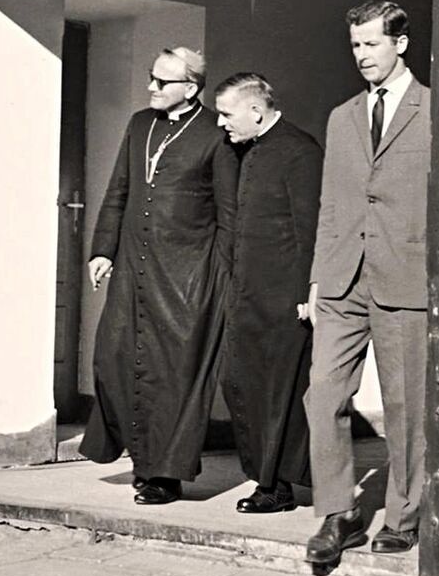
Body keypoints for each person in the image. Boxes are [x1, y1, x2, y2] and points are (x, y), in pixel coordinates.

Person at [80, 47, 239, 505]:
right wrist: (102, 249)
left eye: (161, 81)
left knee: (173, 373)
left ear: (190, 88)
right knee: (114, 355)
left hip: (187, 273)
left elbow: (229, 213)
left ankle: (164, 475)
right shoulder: (139, 124)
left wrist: (222, 276)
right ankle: (142, 457)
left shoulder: (215, 132)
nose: (150, 86)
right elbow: (119, 190)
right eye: (152, 77)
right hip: (134, 264)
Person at [303, 0, 430, 562]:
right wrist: (317, 278)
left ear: (400, 44)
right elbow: (331, 203)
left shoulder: (436, 110)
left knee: (406, 406)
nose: (361, 55)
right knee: (323, 394)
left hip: (406, 276)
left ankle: (404, 516)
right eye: (355, 45)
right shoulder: (342, 117)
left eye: (371, 44)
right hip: (341, 280)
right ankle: (340, 515)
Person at [213, 73, 322, 514]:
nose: (221, 123)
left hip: (284, 298)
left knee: (280, 393)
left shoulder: (300, 151)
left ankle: (276, 486)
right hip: (247, 294)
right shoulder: (244, 150)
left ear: (256, 111)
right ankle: (267, 477)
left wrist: (309, 291)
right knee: (241, 382)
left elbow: (310, 228)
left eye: (227, 113)